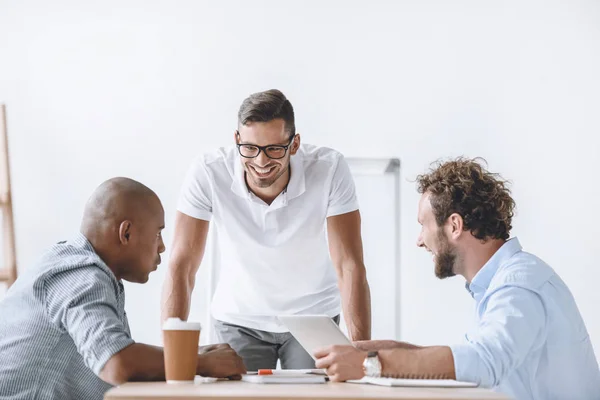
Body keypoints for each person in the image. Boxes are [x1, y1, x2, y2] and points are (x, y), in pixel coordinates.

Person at [313, 158, 600, 400]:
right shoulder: (499, 283)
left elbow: (484, 362)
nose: (419, 241)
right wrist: (379, 349)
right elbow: (469, 357)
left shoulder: (519, 284)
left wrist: (368, 364)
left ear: (454, 225)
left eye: (423, 225)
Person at [162, 89, 371, 371]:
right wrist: (171, 360)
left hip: (313, 316)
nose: (261, 162)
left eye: (274, 149)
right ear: (237, 140)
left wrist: (360, 355)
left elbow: (350, 266)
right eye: (249, 148)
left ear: (294, 144)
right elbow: (182, 265)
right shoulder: (209, 172)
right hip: (239, 319)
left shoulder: (329, 169)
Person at [0, 178, 245, 400]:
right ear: (126, 233)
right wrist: (199, 362)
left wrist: (190, 355)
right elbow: (116, 362)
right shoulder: (82, 275)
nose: (161, 247)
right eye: (158, 234)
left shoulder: (83, 268)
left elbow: (116, 354)